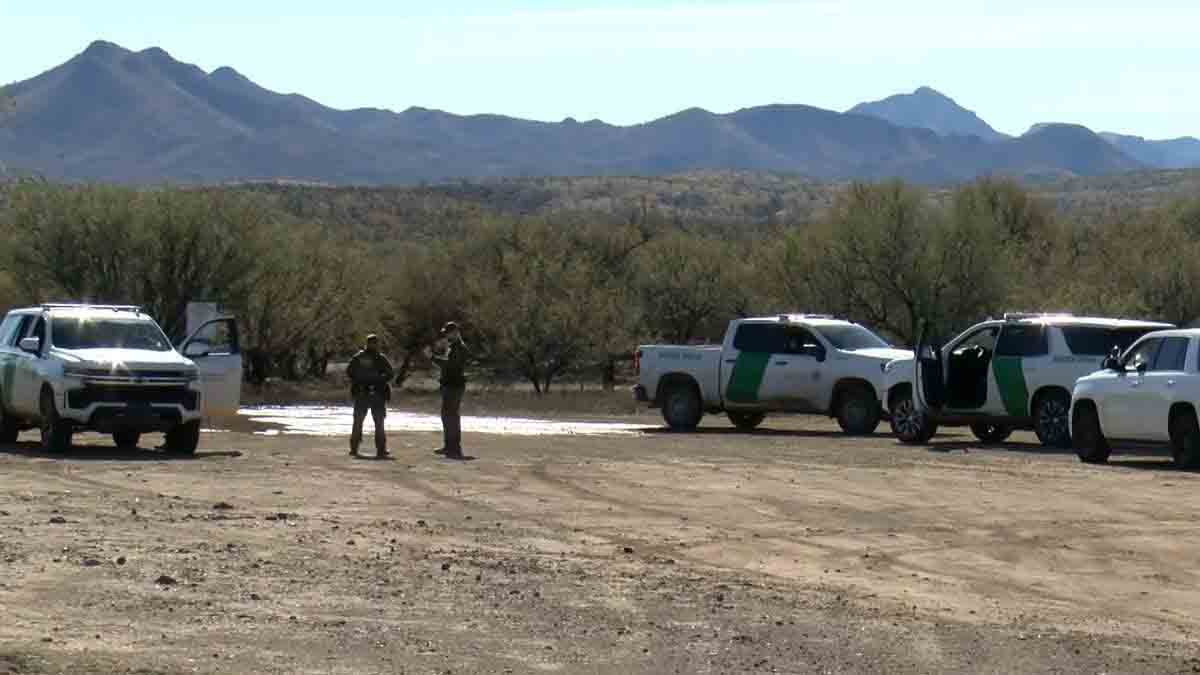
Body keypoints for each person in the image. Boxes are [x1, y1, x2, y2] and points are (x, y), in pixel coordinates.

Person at [347, 334, 394, 458]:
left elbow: (349, 372)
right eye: (374, 343)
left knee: (360, 421)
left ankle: (354, 448)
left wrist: (359, 380)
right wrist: (379, 379)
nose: (374, 345)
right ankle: (380, 450)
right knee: (377, 422)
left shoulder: (358, 357)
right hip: (375, 393)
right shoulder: (380, 358)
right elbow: (390, 374)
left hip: (364, 393)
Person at [430, 321, 469, 460]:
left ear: (455, 332)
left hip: (454, 386)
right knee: (448, 416)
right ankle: (449, 446)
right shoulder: (453, 347)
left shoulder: (458, 348)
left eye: (448, 332)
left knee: (451, 416)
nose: (446, 335)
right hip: (450, 385)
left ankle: (454, 447)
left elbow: (450, 365)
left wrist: (433, 358)